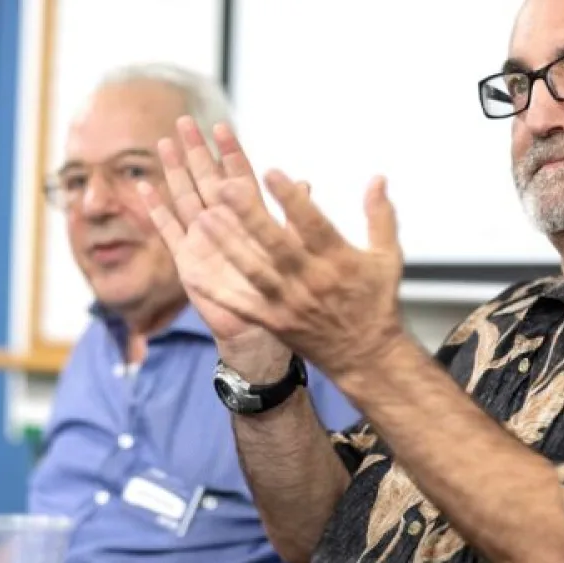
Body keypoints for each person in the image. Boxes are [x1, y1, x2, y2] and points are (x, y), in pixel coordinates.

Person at [135, 0, 564, 561]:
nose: (537, 115)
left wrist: (370, 353)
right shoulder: (495, 325)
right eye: (520, 84)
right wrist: (261, 364)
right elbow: (323, 532)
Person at [26, 63, 361, 563]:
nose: (93, 205)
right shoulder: (95, 344)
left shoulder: (298, 345)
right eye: (76, 180)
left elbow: (354, 543)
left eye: (133, 171)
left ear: (210, 185)